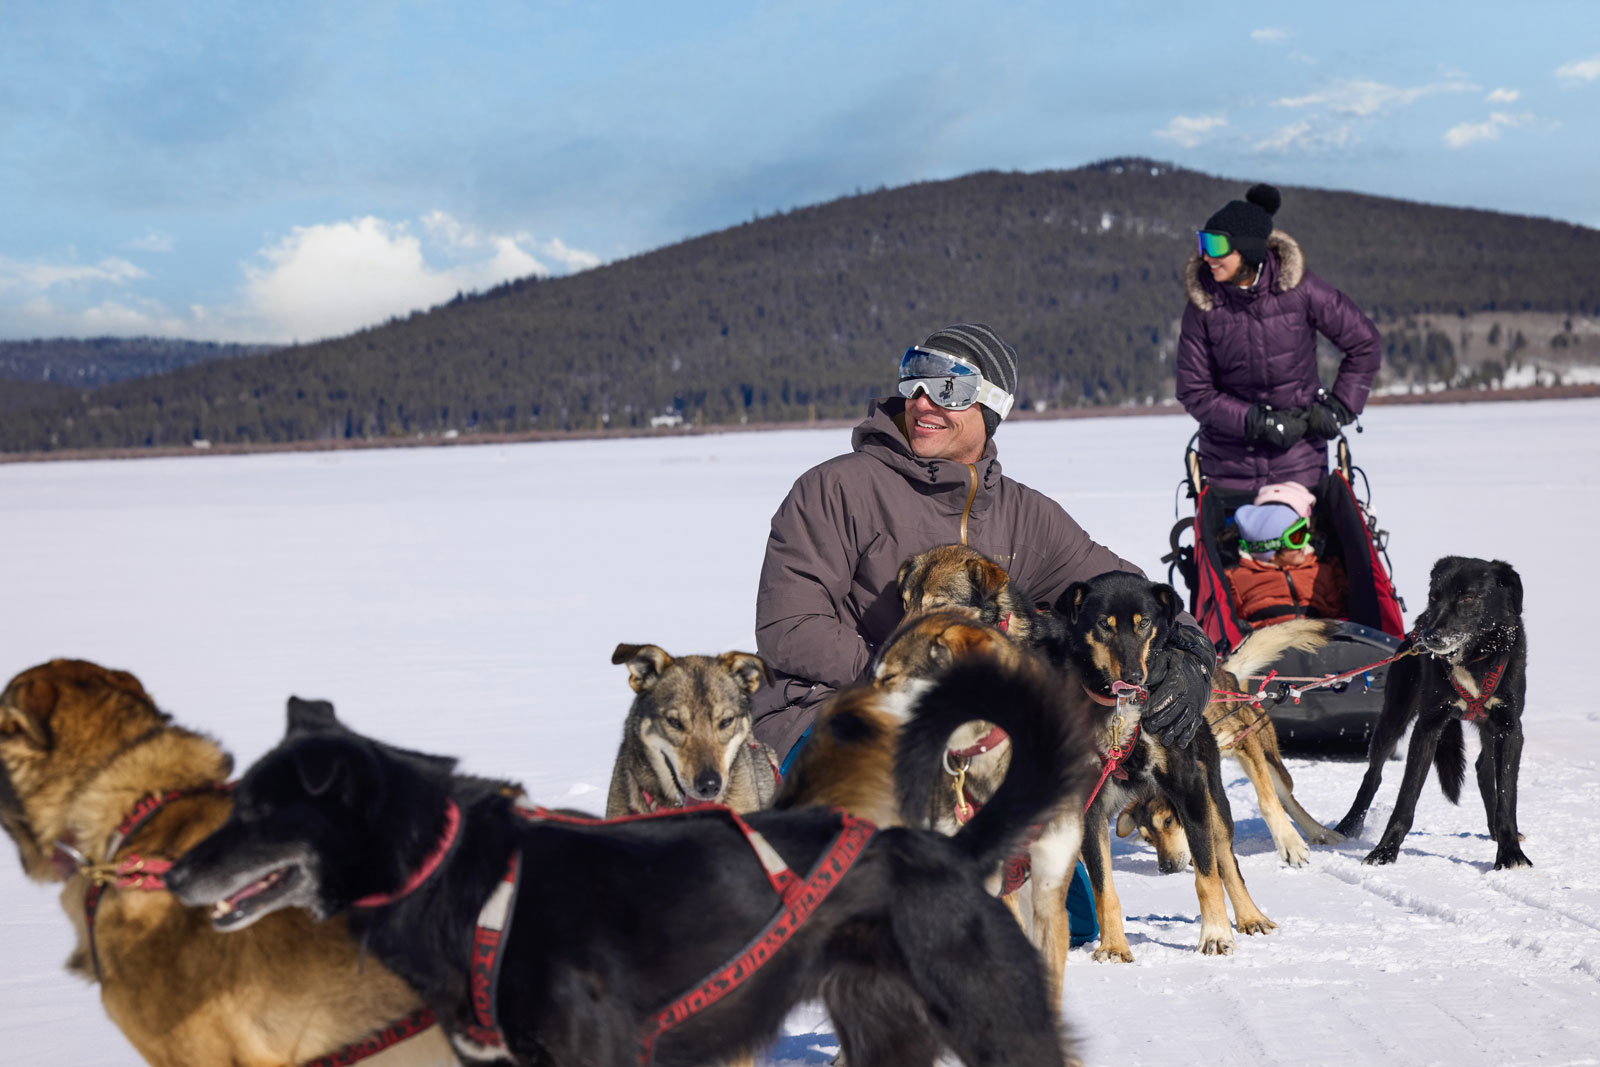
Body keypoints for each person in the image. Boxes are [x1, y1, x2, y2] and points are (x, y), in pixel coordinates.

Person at [753, 323, 1215, 948]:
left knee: (1066, 922)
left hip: (983, 743)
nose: (922, 400)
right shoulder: (838, 488)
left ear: (990, 405)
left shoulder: (1024, 515)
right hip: (844, 714)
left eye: (947, 387)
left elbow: (1123, 587)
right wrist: (908, 682)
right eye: (912, 381)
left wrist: (1186, 653)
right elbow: (789, 629)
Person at [1175, 183, 1383, 493]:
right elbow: (1194, 391)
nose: (1207, 257)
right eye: (1203, 244)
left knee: (1300, 542)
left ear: (1246, 249)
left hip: (1299, 465)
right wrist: (1255, 422)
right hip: (1227, 470)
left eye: (1216, 246)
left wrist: (1339, 408)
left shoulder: (1301, 290)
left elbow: (1364, 343)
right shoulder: (1203, 306)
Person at [1225, 489, 1347, 629]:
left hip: (1319, 640)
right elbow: (1230, 624)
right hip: (1269, 644)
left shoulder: (1320, 570)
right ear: (1271, 548)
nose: (1305, 543)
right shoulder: (1237, 580)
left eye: (1304, 532)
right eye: (1296, 538)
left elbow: (1338, 611)